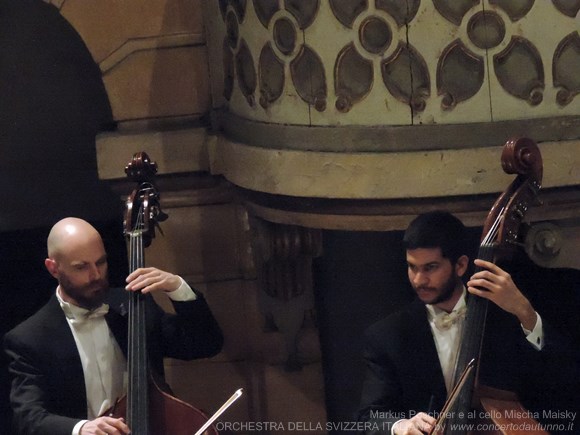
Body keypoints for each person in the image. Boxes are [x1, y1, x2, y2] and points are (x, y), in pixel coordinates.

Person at [357, 211, 579, 435]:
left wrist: (525, 312)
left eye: (430, 267)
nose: (418, 280)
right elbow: (369, 418)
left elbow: (564, 377)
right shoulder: (387, 336)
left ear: (460, 265)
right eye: (412, 267)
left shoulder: (504, 316)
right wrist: (400, 426)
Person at [3, 217, 224, 435]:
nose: (96, 275)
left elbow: (206, 344)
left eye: (101, 262)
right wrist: (81, 428)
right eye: (81, 267)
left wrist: (178, 288)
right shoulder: (30, 339)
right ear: (53, 269)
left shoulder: (134, 306)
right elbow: (27, 418)